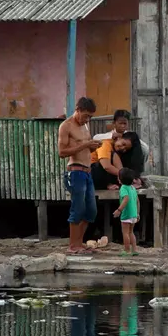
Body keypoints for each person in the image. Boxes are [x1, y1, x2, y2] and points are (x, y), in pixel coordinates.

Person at [58, 97, 102, 254]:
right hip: (75, 172)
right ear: (77, 110)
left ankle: (79, 242)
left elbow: (86, 149)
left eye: (90, 116)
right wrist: (85, 144)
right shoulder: (66, 126)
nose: (87, 119)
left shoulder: (85, 126)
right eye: (85, 116)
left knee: (91, 210)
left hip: (87, 172)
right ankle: (73, 245)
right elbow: (62, 152)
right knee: (78, 208)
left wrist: (94, 146)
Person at [112, 168, 140, 257]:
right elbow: (137, 201)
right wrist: (138, 213)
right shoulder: (133, 188)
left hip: (126, 214)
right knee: (131, 232)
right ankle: (134, 250)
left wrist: (119, 210)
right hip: (134, 214)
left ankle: (127, 250)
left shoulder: (123, 188)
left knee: (125, 233)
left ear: (120, 179)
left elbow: (126, 199)